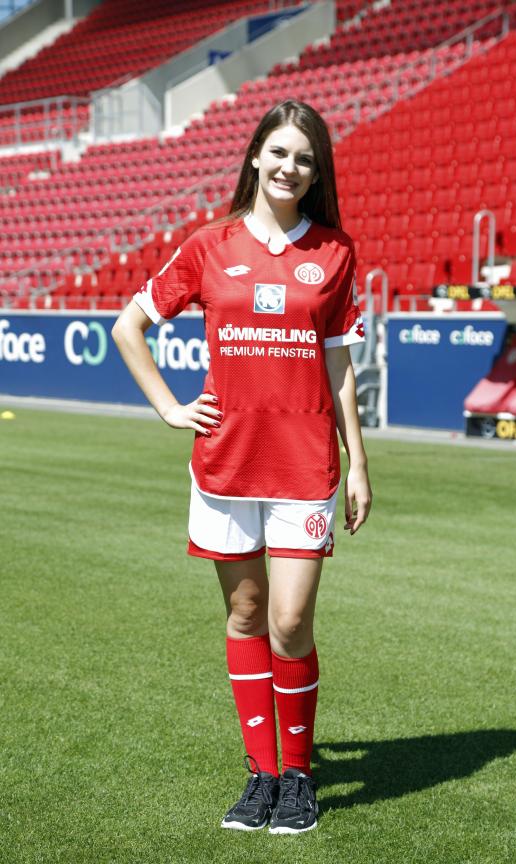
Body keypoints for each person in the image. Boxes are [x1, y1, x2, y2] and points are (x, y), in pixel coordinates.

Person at [112, 99, 372, 835]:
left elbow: (338, 363)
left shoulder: (336, 251)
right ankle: (261, 774)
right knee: (248, 613)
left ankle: (299, 775)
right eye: (280, 152)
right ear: (256, 155)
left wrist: (357, 461)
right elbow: (129, 326)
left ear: (316, 173)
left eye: (305, 159)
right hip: (226, 461)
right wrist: (170, 408)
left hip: (306, 462)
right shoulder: (208, 244)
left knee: (290, 620)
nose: (291, 167)